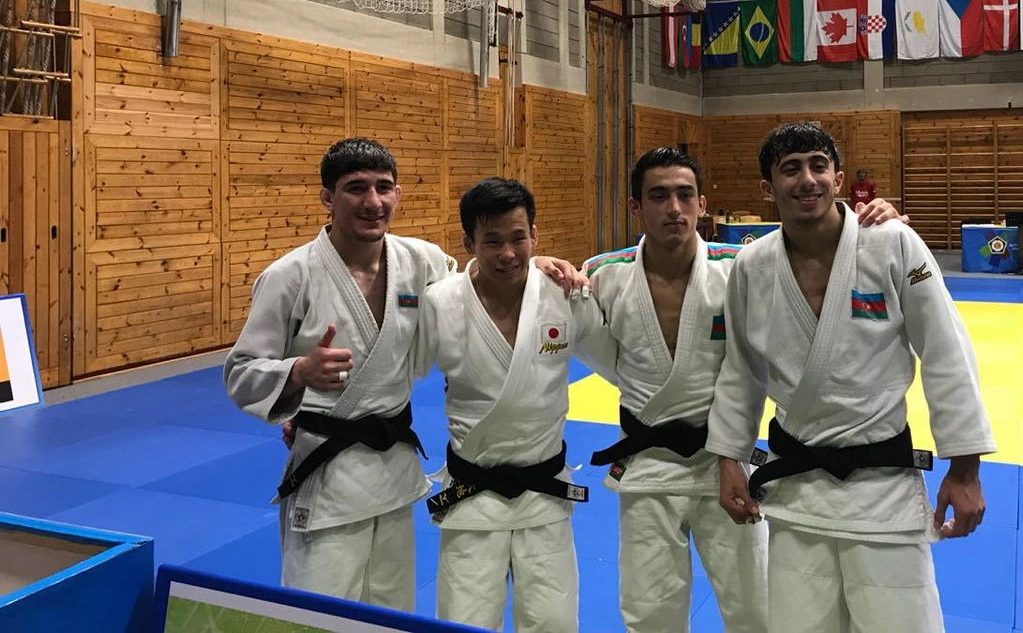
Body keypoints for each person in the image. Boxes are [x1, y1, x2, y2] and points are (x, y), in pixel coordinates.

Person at [224, 140, 580, 611]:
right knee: (321, 615)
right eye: (356, 188)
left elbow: (482, 277)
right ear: (327, 197)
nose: (372, 201)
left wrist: (535, 265)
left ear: (397, 194)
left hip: (393, 476)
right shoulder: (289, 276)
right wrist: (297, 373)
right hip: (328, 477)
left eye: (383, 187)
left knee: (393, 612)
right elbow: (241, 371)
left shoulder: (420, 260)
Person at [583, 147, 907, 633]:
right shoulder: (602, 274)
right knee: (649, 611)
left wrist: (875, 230)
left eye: (685, 195)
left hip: (726, 464)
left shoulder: (742, 266)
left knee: (756, 607)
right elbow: (561, 316)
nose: (674, 208)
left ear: (702, 204)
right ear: (635, 207)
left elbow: (820, 255)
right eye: (658, 196)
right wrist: (543, 264)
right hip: (648, 467)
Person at [706, 122, 994, 633]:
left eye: (818, 165)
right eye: (790, 169)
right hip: (796, 491)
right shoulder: (751, 266)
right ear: (768, 189)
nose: (807, 179)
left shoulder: (893, 243)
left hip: (883, 489)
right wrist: (729, 457)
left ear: (838, 179)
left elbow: (946, 351)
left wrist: (965, 469)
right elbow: (742, 369)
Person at [412, 177, 617, 633]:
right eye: (492, 241)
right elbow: (395, 376)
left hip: (545, 495)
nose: (507, 253)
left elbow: (621, 365)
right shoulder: (440, 303)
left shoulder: (565, 295)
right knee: (463, 623)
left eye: (518, 238)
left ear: (535, 236)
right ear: (468, 243)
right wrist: (315, 413)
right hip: (471, 497)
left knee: (554, 624)